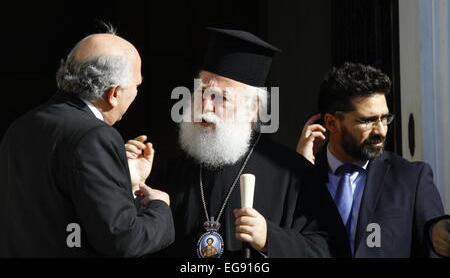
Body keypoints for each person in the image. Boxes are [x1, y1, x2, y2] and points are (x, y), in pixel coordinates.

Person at [126, 28, 351, 258]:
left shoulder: (293, 174)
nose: (205, 106)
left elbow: (332, 251)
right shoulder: (172, 171)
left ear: (252, 108)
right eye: (201, 92)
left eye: (220, 98)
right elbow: (134, 245)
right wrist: (134, 188)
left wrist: (270, 239)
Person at [0, 28, 175, 257]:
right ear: (113, 94)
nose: (136, 92)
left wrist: (124, 182)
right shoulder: (95, 136)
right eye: (136, 85)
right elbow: (122, 239)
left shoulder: (21, 126)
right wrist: (159, 208)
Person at [296, 62, 450, 257]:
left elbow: (435, 236)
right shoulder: (301, 175)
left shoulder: (411, 178)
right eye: (367, 121)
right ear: (331, 123)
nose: (381, 131)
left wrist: (439, 235)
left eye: (384, 118)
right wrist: (299, 171)